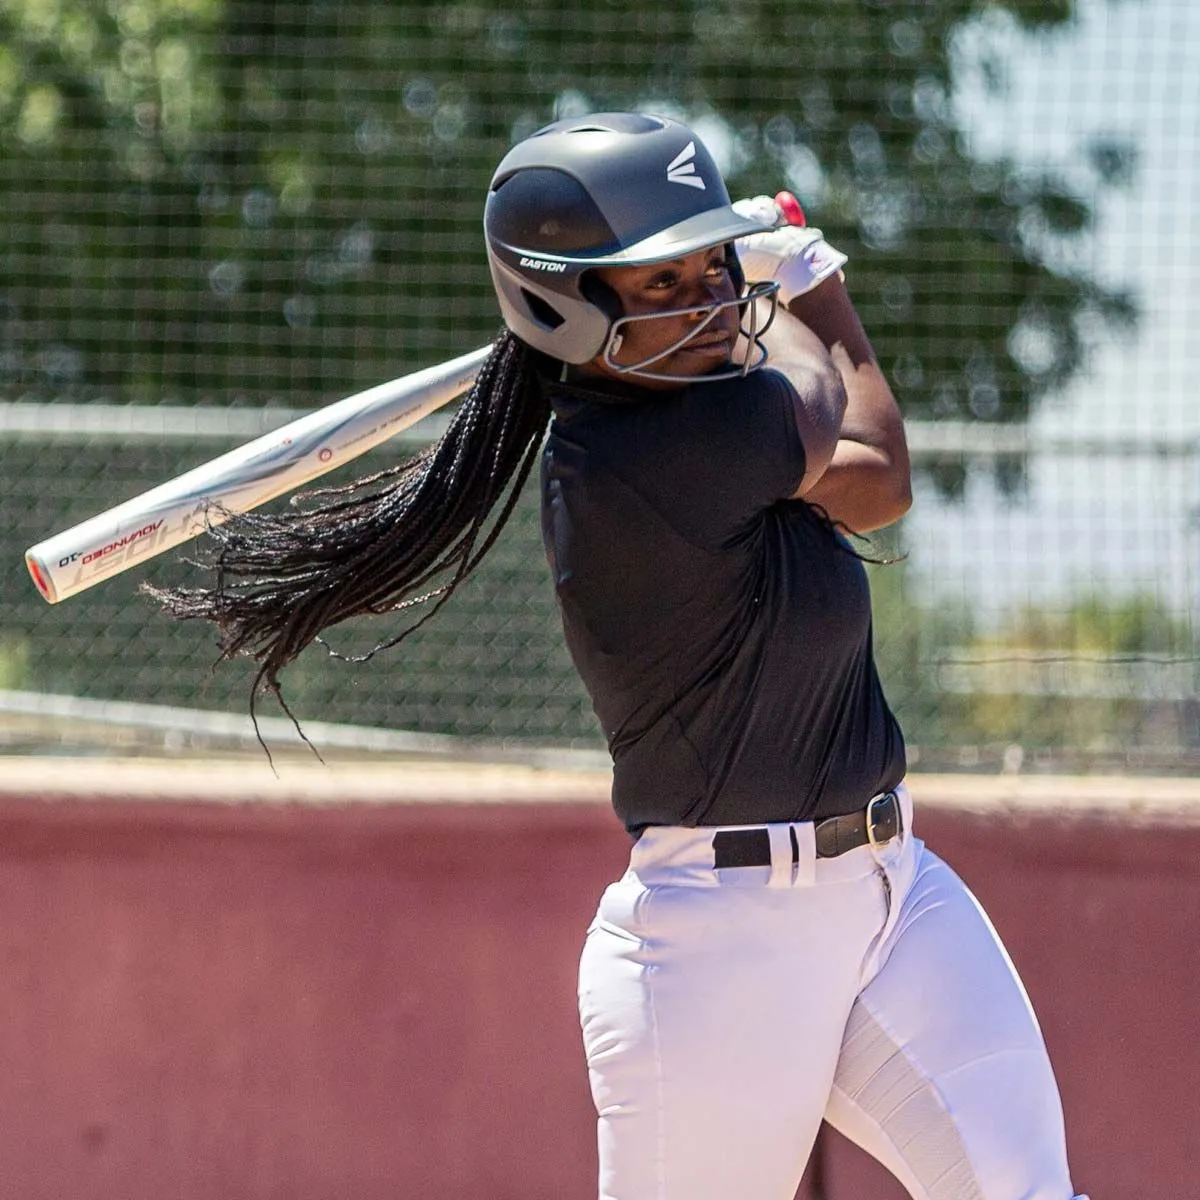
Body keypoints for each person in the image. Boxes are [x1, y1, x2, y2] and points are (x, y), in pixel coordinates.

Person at [151, 112, 1089, 1200]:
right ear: (566, 302)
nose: (707, 298)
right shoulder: (646, 452)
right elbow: (869, 447)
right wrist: (811, 275)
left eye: (707, 264)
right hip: (721, 952)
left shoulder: (694, 401)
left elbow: (861, 470)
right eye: (661, 284)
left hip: (895, 890)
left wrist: (745, 268)